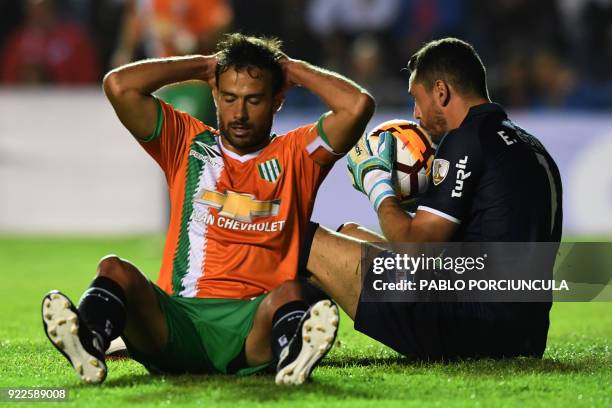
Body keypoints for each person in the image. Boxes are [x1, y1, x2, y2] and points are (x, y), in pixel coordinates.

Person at [41, 33, 375, 384]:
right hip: (178, 321)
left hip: (251, 326)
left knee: (291, 293)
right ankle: (88, 342)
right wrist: (202, 65)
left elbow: (357, 105)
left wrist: (288, 67)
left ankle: (293, 356)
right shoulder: (186, 142)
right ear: (214, 93)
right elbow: (118, 84)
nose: (239, 113)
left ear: (277, 101)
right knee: (113, 267)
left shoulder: (298, 154)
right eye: (229, 98)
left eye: (254, 100)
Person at [302, 37, 563, 360]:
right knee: (350, 232)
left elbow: (414, 247)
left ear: (441, 92)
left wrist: (377, 182)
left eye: (416, 98)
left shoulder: (466, 139)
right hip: (524, 333)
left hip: (472, 328)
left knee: (301, 239)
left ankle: (285, 335)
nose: (416, 114)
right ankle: (300, 331)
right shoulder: (530, 145)